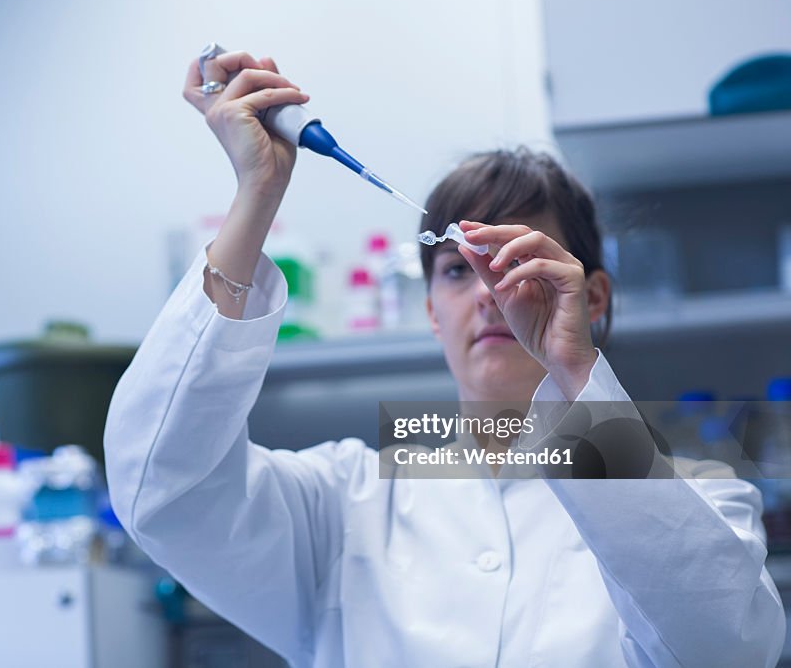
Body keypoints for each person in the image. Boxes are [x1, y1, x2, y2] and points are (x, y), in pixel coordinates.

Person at [104, 49, 785, 667]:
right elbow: (165, 487)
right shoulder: (342, 501)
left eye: (516, 258)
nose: (491, 292)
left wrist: (576, 371)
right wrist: (257, 195)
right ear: (431, 308)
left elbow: (726, 651)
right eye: (458, 271)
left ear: (593, 298)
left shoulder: (700, 495)